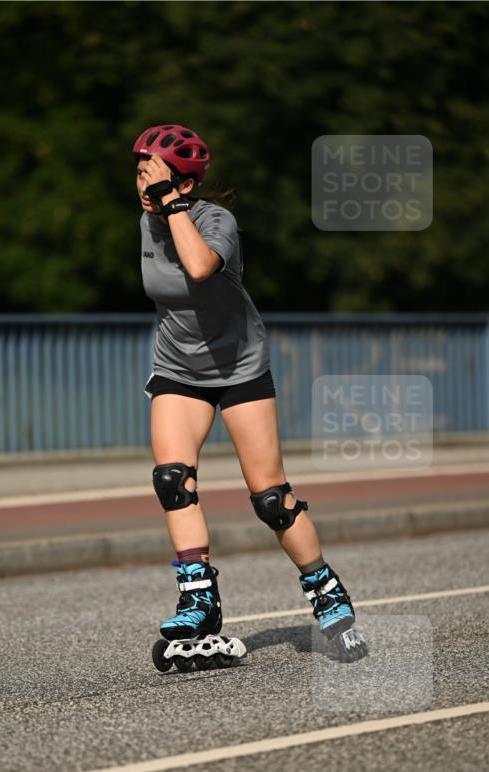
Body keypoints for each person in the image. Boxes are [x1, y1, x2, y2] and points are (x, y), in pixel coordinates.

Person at [133, 123, 367, 663]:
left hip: (240, 368)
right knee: (173, 480)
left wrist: (172, 204)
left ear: (182, 183)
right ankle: (199, 596)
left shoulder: (217, 221)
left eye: (152, 168)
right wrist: (160, 204)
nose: (142, 177)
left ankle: (325, 589)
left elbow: (198, 267)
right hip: (178, 368)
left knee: (271, 499)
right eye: (139, 167)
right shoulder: (146, 223)